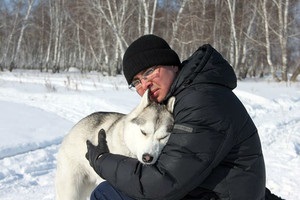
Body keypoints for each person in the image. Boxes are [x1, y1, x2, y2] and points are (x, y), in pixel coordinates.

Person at [86, 34, 267, 200]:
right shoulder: (187, 94)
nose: (145, 85)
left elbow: (162, 183)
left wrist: (102, 160)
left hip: (219, 195)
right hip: (212, 189)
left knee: (106, 194)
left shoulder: (201, 102)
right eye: (136, 82)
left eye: (149, 72)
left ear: (172, 64)